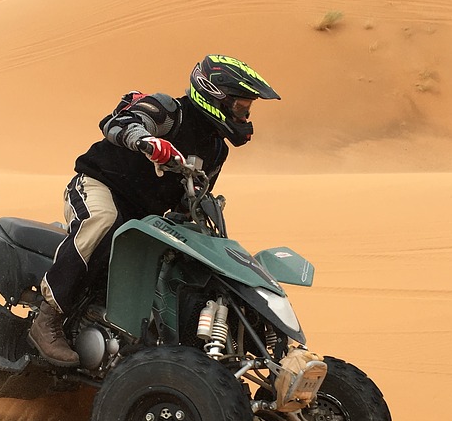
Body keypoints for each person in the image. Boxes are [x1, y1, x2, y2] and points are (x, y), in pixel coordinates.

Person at [29, 54, 281, 366]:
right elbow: (117, 123)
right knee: (102, 220)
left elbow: (193, 199)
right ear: (215, 97)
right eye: (241, 107)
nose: (245, 116)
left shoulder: (216, 150)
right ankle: (48, 319)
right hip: (98, 186)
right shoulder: (169, 111)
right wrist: (147, 141)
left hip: (144, 216)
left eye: (247, 109)